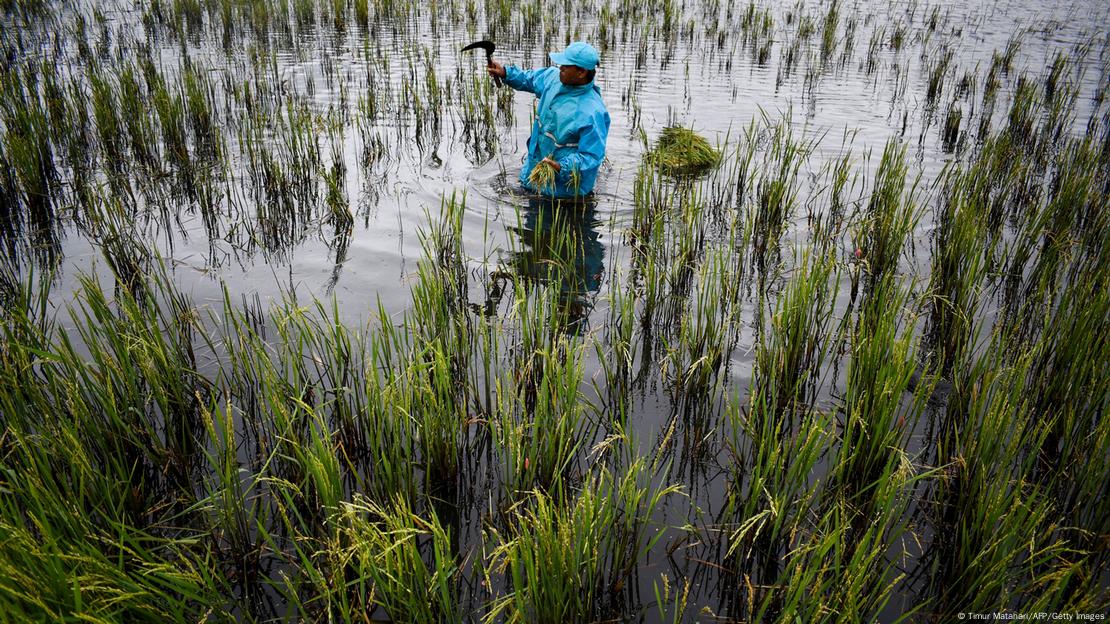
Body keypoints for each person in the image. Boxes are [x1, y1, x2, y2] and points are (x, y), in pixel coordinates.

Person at [487, 42, 611, 198]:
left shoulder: (593, 112)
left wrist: (561, 167)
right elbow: (530, 79)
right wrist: (505, 73)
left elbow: (591, 157)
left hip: (564, 193)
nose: (561, 68)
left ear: (581, 72)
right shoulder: (553, 78)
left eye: (566, 65)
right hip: (533, 175)